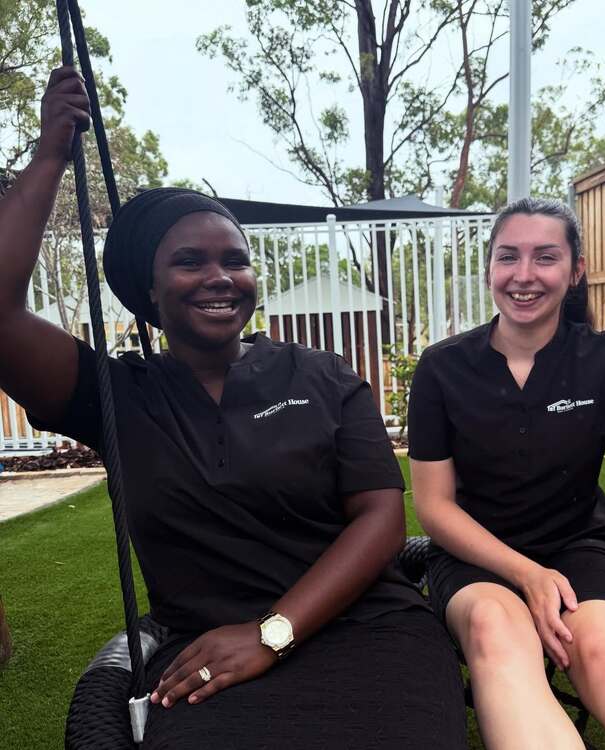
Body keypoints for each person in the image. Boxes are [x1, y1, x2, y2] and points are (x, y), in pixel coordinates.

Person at [0, 67, 467, 750]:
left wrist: (271, 633)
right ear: (149, 290)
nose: (220, 277)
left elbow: (380, 519)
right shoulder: (114, 394)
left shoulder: (323, 375)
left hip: (368, 631)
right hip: (206, 656)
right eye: (190, 261)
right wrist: (49, 155)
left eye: (236, 260)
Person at [408, 197, 605, 749]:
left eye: (545, 257)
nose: (524, 275)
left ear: (576, 270)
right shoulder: (442, 368)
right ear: (489, 268)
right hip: (473, 553)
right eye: (508, 256)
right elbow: (434, 507)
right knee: (497, 633)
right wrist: (526, 574)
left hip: (578, 546)